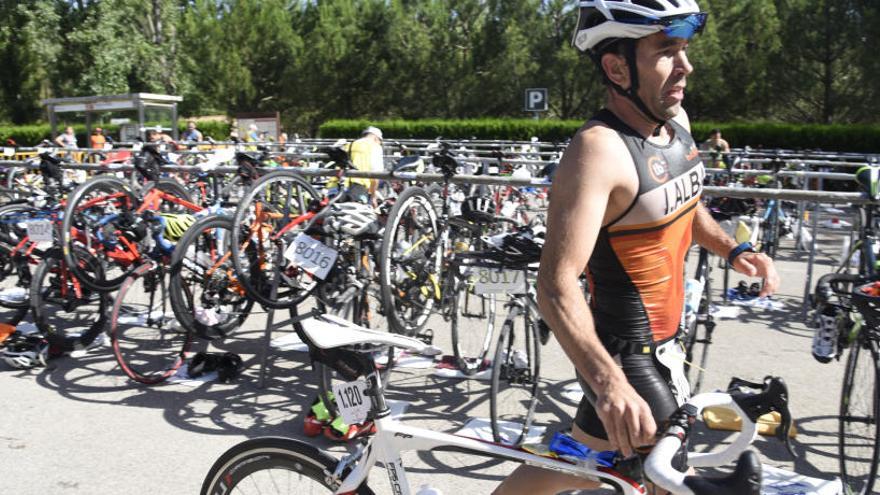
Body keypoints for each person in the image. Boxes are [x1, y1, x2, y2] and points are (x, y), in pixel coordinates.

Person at [494, 1, 779, 494]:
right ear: (616, 67)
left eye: (685, 49)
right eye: (667, 51)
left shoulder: (675, 122)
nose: (686, 66)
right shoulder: (597, 151)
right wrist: (608, 383)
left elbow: (684, 206)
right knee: (670, 483)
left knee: (577, 462)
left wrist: (733, 250)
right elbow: (556, 285)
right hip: (629, 360)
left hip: (667, 345)